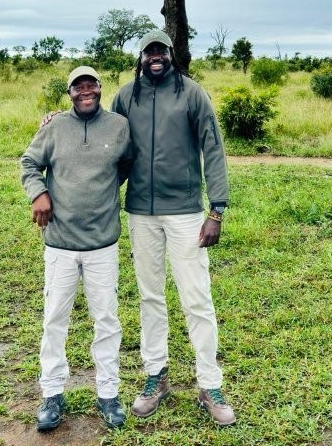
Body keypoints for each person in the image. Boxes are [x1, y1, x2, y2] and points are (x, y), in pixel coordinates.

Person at [111, 29, 235, 427]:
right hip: (140, 213)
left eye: (161, 50)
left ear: (171, 53)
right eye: (148, 51)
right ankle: (156, 378)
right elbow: (108, 143)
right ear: (141, 56)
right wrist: (57, 121)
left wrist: (216, 210)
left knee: (196, 298)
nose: (155, 56)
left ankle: (210, 386)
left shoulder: (192, 93)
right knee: (150, 297)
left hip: (184, 212)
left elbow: (213, 148)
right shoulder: (126, 96)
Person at [21, 65, 132, 432]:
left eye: (91, 85)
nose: (85, 91)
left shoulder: (118, 126)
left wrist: (101, 191)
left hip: (102, 243)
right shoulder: (54, 127)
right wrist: (39, 193)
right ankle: (52, 394)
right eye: (77, 87)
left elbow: (126, 165)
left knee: (107, 320)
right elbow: (29, 162)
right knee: (55, 318)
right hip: (61, 243)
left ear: (100, 88)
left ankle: (108, 394)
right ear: (69, 93)